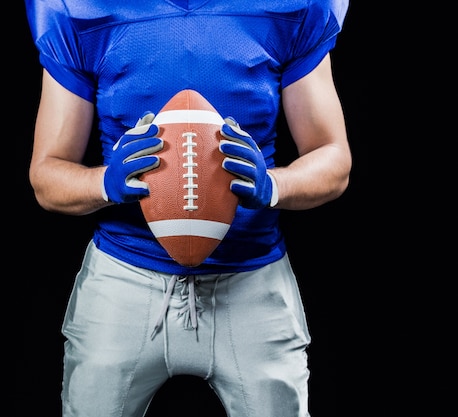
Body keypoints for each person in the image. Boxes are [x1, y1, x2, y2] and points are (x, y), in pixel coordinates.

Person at [23, 0, 352, 416]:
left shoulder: (288, 7)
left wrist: (273, 185)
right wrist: (103, 181)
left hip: (251, 281)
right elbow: (47, 177)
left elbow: (333, 159)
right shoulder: (83, 9)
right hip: (125, 280)